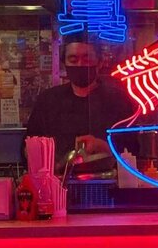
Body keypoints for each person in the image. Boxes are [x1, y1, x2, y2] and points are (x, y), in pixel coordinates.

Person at [26, 33, 138, 172]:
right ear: (64, 64)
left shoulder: (119, 100)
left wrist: (104, 147)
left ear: (99, 62)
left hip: (107, 181)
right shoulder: (48, 100)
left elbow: (133, 150)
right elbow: (28, 146)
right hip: (59, 181)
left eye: (87, 59)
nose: (80, 65)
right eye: (73, 60)